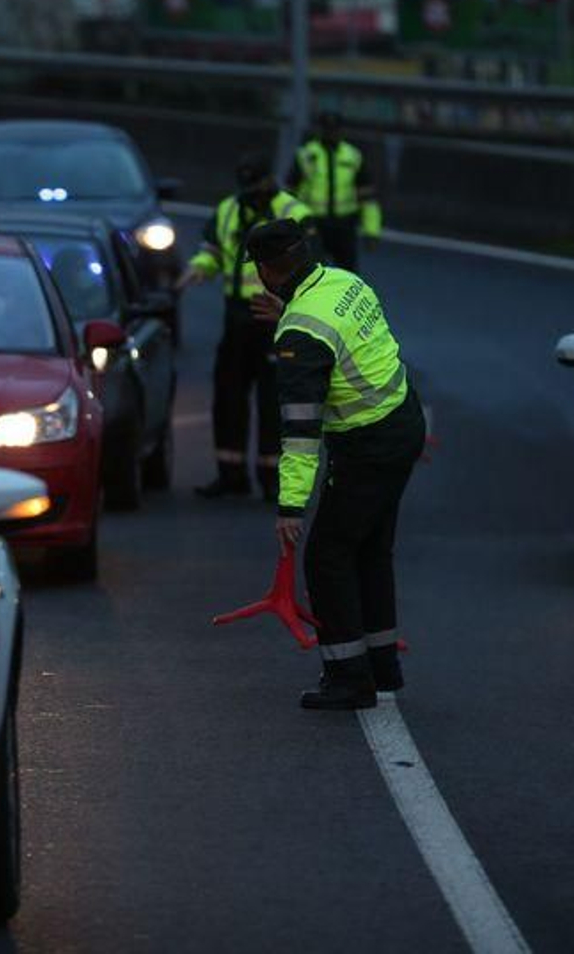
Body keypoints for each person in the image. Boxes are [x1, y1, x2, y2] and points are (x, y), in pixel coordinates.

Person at [246, 219, 424, 711]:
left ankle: (349, 676)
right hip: (403, 421)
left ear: (265, 271)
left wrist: (290, 506)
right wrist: (290, 314)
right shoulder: (344, 281)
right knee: (370, 550)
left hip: (367, 445)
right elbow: (340, 335)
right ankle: (383, 666)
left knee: (328, 556)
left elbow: (300, 434)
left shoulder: (300, 335)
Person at [178, 152, 313, 500]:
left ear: (271, 181)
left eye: (257, 185)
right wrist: (199, 268)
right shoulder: (227, 210)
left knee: (273, 399)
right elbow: (212, 250)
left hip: (275, 316)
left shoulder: (293, 212)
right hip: (236, 315)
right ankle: (231, 473)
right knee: (228, 395)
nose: (251, 192)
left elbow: (311, 266)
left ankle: (272, 478)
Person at [286, 112, 382, 272]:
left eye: (335, 129)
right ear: (320, 130)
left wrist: (371, 230)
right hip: (312, 224)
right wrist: (289, 228)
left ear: (342, 131)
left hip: (344, 225)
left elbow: (367, 198)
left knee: (349, 274)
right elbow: (289, 195)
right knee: (311, 274)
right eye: (327, 129)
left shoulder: (353, 156)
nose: (331, 133)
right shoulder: (306, 155)